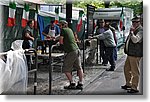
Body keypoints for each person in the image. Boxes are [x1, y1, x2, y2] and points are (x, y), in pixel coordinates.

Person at [56, 20, 84, 90]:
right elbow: (64, 37)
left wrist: (57, 45)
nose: (59, 27)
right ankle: (80, 83)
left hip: (71, 51)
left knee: (66, 69)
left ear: (63, 25)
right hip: (76, 50)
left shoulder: (63, 30)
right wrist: (55, 38)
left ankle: (72, 83)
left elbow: (61, 41)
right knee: (79, 68)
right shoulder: (69, 30)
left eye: (59, 25)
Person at [121, 16, 143, 93]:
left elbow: (135, 40)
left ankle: (134, 87)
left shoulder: (141, 30)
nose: (133, 23)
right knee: (126, 69)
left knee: (135, 71)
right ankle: (128, 84)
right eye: (133, 22)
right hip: (130, 53)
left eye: (135, 22)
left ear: (139, 22)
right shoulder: (134, 29)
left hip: (135, 54)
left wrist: (132, 33)